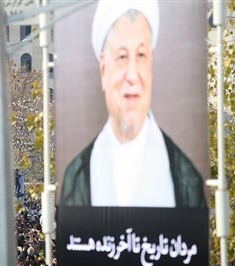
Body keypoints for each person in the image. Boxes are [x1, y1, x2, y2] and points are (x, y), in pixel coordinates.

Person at [60, 0, 206, 208]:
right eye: (121, 57)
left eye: (141, 56)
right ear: (103, 69)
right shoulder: (78, 177)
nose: (132, 76)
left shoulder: (186, 178)